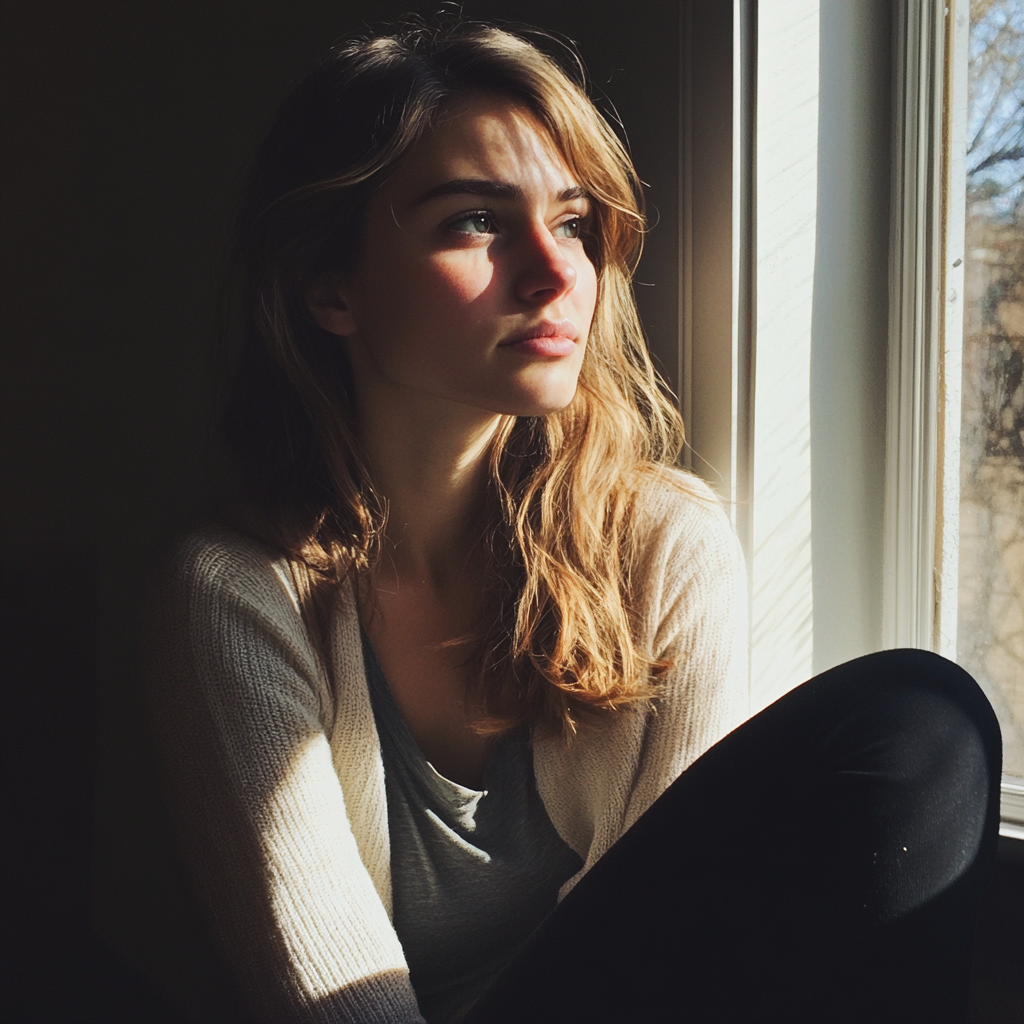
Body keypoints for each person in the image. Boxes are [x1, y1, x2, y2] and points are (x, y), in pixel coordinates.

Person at [149, 19, 1002, 1024]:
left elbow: (692, 946)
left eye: (571, 223)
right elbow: (328, 1001)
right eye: (473, 220)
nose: (555, 274)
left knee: (920, 726)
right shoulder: (235, 591)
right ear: (329, 287)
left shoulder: (661, 548)